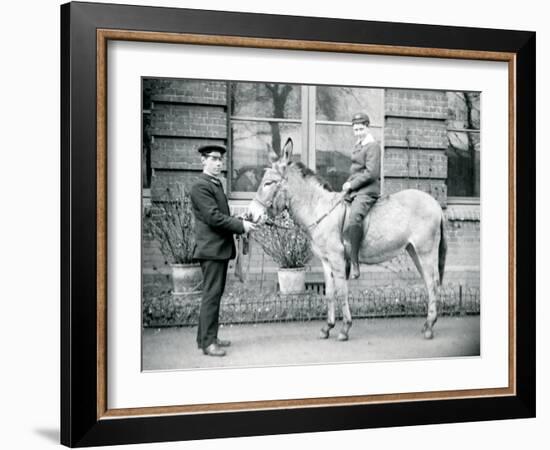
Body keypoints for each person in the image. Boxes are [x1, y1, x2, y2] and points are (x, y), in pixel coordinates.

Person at [190, 144, 257, 357]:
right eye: (214, 159)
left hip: (217, 249)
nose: (219, 163)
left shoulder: (214, 184)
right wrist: (240, 226)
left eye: (220, 159)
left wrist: (242, 221)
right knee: (211, 295)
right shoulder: (201, 186)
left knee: (214, 295)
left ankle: (207, 338)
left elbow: (220, 215)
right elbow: (213, 218)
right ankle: (209, 343)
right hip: (211, 250)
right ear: (203, 160)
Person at [342, 112, 381, 279]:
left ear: (367, 127)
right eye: (355, 129)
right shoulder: (358, 145)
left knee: (354, 218)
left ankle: (355, 261)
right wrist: (347, 186)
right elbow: (355, 170)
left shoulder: (372, 146)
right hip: (356, 189)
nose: (358, 132)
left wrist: (352, 185)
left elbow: (371, 173)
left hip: (367, 190)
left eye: (360, 128)